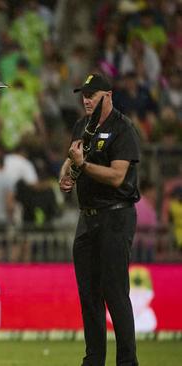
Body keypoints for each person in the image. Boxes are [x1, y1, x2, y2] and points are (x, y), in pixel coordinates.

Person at [59, 73, 140, 366]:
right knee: (89, 296)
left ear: (109, 95)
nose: (86, 99)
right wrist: (65, 176)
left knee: (115, 293)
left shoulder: (123, 128)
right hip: (87, 218)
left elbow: (118, 176)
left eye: (93, 94)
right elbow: (70, 160)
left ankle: (127, 362)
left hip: (115, 216)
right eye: (84, 94)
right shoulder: (82, 126)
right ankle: (93, 360)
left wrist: (83, 165)